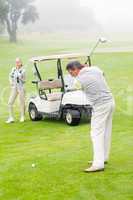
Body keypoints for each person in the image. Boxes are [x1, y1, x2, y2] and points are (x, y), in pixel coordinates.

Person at [66, 61, 115, 172]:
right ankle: (104, 157)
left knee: (96, 133)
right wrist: (88, 68)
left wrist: (82, 73)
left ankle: (98, 164)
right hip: (110, 102)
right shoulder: (96, 69)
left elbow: (73, 87)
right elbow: (102, 74)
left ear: (75, 69)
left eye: (71, 72)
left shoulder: (79, 80)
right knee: (106, 131)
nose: (71, 75)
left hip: (100, 106)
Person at [6, 58, 26, 123]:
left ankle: (22, 116)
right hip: (14, 88)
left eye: (18, 62)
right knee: (10, 102)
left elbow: (24, 80)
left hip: (21, 88)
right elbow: (10, 76)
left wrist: (21, 78)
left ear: (21, 63)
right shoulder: (13, 69)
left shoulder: (23, 70)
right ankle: (11, 117)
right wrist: (11, 82)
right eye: (16, 62)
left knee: (21, 102)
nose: (17, 63)